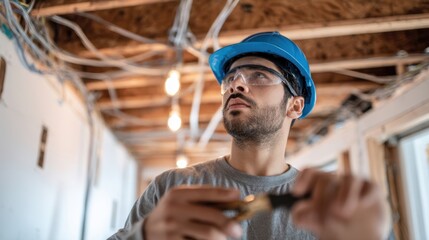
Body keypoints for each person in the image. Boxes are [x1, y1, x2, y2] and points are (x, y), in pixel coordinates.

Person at [108, 32, 390, 240]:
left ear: (295, 105)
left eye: (259, 75)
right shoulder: (172, 188)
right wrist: (143, 236)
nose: (236, 85)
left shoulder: (321, 208)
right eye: (231, 78)